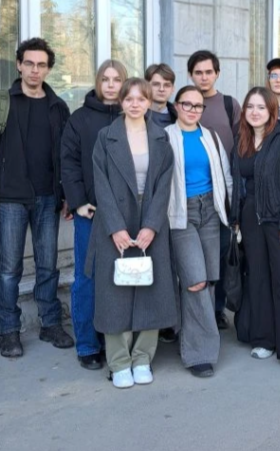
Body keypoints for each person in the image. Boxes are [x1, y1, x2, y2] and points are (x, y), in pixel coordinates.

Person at [0, 37, 73, 358]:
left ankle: (50, 324)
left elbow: (68, 156)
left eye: (41, 65)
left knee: (48, 265)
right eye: (29, 63)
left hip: (48, 198)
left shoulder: (58, 107)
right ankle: (9, 331)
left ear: (48, 69)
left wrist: (67, 194)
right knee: (9, 268)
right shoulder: (0, 102)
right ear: (19, 65)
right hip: (10, 198)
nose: (34, 70)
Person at [88, 78, 177, 389]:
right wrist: (115, 228)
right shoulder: (106, 137)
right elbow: (100, 184)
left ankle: (142, 358)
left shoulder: (161, 138)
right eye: (129, 99)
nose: (135, 104)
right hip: (116, 219)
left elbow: (164, 185)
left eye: (141, 99)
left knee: (152, 289)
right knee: (115, 293)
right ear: (121, 102)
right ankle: (119, 361)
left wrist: (152, 225)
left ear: (150, 102)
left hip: (150, 218)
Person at [231, 87, 280, 373]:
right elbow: (237, 183)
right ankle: (264, 338)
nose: (255, 112)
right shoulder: (242, 140)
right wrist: (236, 217)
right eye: (250, 107)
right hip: (251, 220)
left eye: (261, 107)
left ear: (272, 111)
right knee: (258, 279)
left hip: (279, 220)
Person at [61, 59, 127, 370]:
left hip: (125, 215)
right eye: (106, 79)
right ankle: (88, 344)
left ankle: (112, 340)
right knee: (87, 278)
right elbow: (69, 162)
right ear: (98, 82)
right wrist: (77, 202)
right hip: (91, 212)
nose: (111, 85)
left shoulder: (132, 117)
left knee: (119, 279)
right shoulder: (80, 119)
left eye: (117, 79)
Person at [166, 86, 233, 378]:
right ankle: (200, 354)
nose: (193, 110)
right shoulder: (165, 137)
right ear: (176, 106)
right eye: (187, 104)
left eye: (198, 106)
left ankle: (189, 333)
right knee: (195, 281)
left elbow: (225, 176)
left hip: (211, 212)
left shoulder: (211, 136)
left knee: (209, 279)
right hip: (181, 213)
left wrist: (230, 212)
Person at [187, 49, 241, 329]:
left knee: (219, 254)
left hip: (223, 193)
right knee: (190, 258)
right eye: (198, 72)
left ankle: (217, 309)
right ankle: (191, 313)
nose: (204, 77)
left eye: (209, 72)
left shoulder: (229, 104)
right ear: (190, 75)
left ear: (217, 74)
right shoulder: (184, 104)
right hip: (190, 194)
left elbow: (241, 146)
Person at [145, 63, 178, 129]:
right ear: (146, 86)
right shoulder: (136, 116)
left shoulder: (179, 119)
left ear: (173, 89)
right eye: (156, 84)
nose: (161, 89)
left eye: (167, 85)